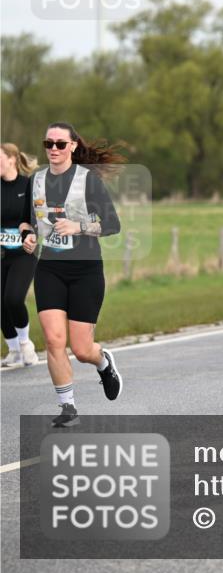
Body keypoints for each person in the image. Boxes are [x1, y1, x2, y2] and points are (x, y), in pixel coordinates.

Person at [29, 123, 124, 427]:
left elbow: (112, 225)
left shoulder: (88, 182)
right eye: (49, 143)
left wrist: (79, 227)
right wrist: (28, 235)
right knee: (54, 340)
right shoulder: (37, 181)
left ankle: (104, 363)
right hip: (49, 269)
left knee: (81, 349)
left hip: (85, 270)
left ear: (72, 146)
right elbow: (28, 221)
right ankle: (67, 406)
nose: (53, 149)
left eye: (60, 144)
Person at [1, 143, 39, 367]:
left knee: (13, 299)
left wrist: (31, 234)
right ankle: (13, 349)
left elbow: (38, 217)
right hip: (1, 254)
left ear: (12, 159)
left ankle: (26, 345)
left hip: (24, 254)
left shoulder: (28, 186)